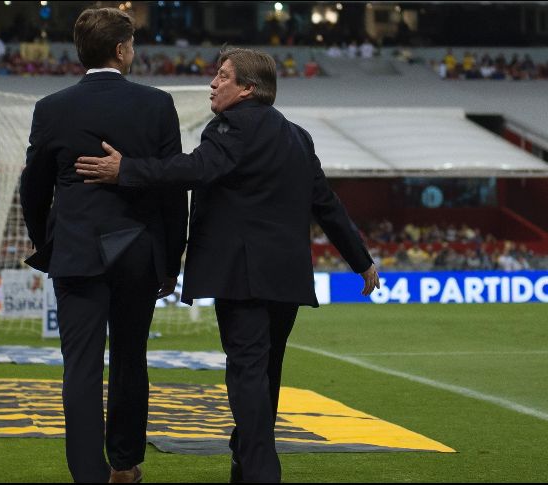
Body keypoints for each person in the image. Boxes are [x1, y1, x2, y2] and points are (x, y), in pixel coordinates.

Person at [75, 47, 380, 483]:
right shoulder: (298, 136)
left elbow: (195, 170)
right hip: (287, 277)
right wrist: (361, 261)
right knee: (265, 375)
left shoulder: (230, 127)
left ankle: (260, 471)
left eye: (222, 76)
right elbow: (325, 204)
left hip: (242, 276)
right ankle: (246, 459)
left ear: (248, 88)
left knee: (248, 375)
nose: (213, 84)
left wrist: (127, 169)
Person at [19, 7, 188, 483]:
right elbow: (173, 189)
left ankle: (88, 475)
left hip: (76, 252)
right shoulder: (157, 104)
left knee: (81, 368)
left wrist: (47, 241)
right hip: (138, 253)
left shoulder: (51, 108)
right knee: (131, 359)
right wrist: (171, 258)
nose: (133, 52)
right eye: (132, 45)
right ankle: (125, 465)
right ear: (120, 49)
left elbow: (32, 188)